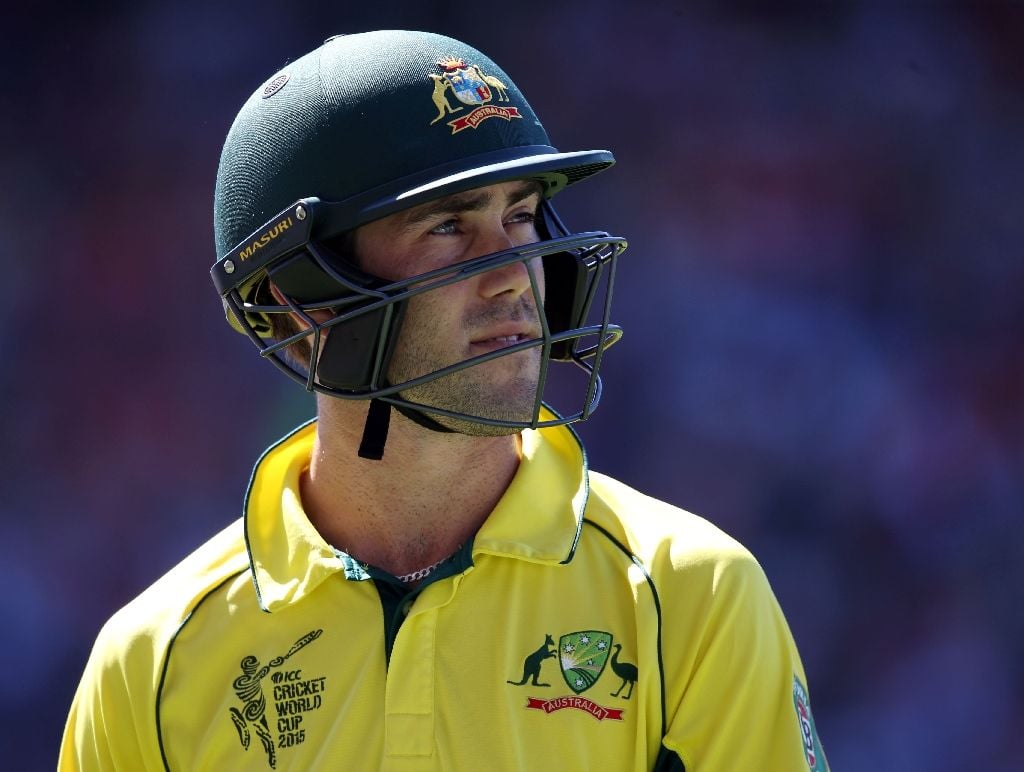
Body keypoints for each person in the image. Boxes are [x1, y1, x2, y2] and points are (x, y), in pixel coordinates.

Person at [59, 30, 828, 771]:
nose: (512, 274)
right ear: (303, 298)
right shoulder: (151, 661)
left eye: (520, 216)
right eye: (449, 228)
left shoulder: (693, 594)